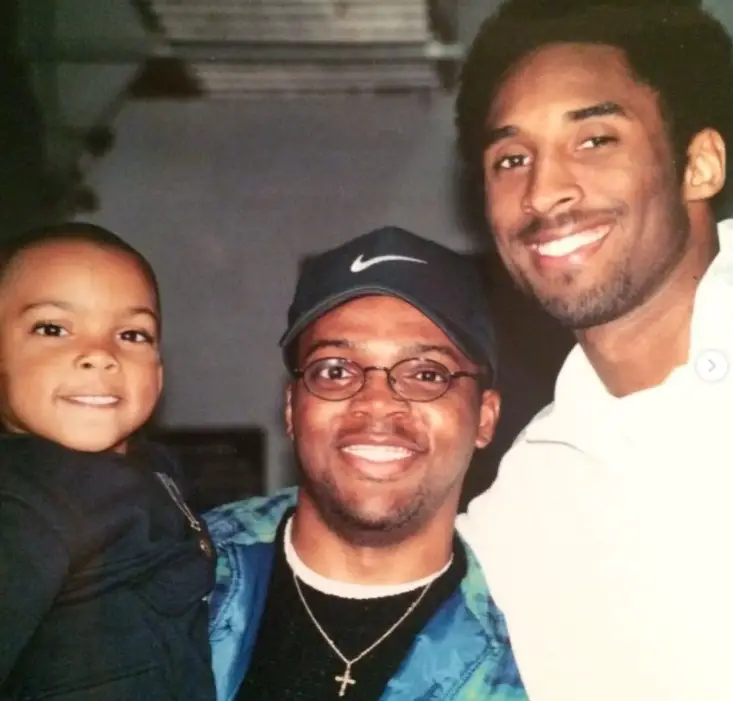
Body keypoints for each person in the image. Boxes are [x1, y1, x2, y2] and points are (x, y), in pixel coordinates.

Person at [454, 1, 733, 700]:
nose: (543, 192)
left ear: (697, 165)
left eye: (594, 139)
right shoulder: (519, 513)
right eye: (511, 158)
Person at [205, 226, 527, 701]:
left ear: (485, 417)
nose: (376, 404)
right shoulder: (175, 578)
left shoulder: (534, 650)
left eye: (426, 374)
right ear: (293, 407)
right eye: (335, 370)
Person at [0, 222, 216, 700]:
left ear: (158, 376)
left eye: (132, 334)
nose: (99, 355)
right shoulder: (23, 494)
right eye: (52, 328)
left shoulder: (159, 472)